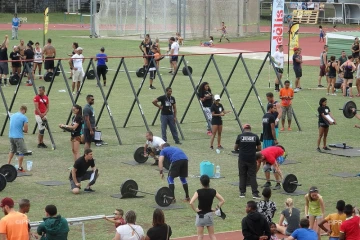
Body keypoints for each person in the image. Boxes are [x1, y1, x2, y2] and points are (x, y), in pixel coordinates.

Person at [189, 175, 225, 240]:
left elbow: (191, 202)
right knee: (212, 235)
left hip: (200, 215)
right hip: (209, 214)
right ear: (209, 181)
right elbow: (222, 200)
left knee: (200, 236)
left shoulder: (198, 191)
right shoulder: (213, 191)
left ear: (201, 182)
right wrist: (216, 208)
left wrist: (195, 210)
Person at [234, 123, 261, 199]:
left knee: (242, 175)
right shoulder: (255, 136)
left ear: (243, 129)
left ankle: (242, 193)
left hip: (242, 158)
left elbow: (235, 148)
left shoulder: (240, 136)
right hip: (252, 159)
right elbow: (259, 148)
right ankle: (255, 193)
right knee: (252, 175)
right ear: (250, 129)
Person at [7, 105, 28, 172]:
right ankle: (20, 167)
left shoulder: (13, 115)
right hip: (18, 137)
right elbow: (26, 130)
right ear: (24, 110)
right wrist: (22, 129)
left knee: (12, 150)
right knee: (21, 152)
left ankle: (8, 164)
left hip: (11, 136)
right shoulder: (24, 117)